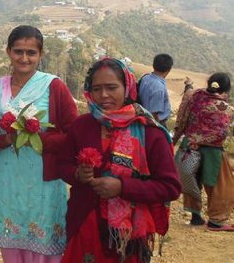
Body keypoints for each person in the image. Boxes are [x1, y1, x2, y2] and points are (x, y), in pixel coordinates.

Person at [58, 57, 181, 262]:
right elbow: (62, 165)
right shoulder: (81, 126)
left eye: (112, 87)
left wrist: (122, 187)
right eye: (97, 88)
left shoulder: (149, 131)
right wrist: (78, 173)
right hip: (85, 225)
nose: (104, 95)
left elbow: (170, 187)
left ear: (128, 87)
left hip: (130, 238)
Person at [0, 25, 78, 263]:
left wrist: (36, 138)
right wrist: (6, 139)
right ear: (8, 52)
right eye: (18, 51)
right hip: (6, 180)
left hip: (44, 182)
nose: (24, 58)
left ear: (40, 54)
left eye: (31, 52)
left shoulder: (54, 87)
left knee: (47, 246)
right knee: (12, 249)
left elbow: (73, 134)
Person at [173, 72, 234, 230]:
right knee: (222, 186)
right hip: (213, 152)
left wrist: (174, 141)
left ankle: (195, 217)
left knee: (192, 180)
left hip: (190, 146)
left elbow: (182, 117)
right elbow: (222, 133)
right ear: (227, 89)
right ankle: (216, 221)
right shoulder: (227, 109)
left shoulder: (194, 97)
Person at [137, 53, 173, 127]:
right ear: (168, 70)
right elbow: (154, 113)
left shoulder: (145, 77)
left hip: (142, 116)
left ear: (153, 65)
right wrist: (158, 128)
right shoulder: (159, 88)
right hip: (154, 123)